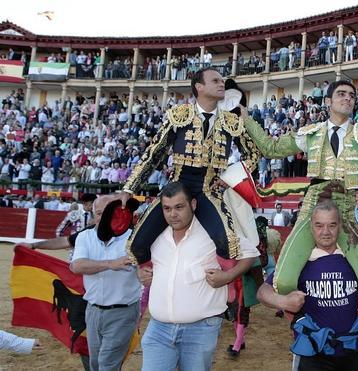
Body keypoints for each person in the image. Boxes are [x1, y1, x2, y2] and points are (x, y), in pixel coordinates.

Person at [243, 80, 358, 304]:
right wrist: (247, 118)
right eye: (341, 94)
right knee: (284, 282)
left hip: (350, 209)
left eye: (352, 96)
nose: (347, 98)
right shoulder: (311, 133)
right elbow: (271, 148)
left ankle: (348, 318)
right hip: (314, 206)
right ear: (328, 101)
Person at [117, 68, 262, 266]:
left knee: (228, 244)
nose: (222, 84)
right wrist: (130, 187)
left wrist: (230, 176)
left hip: (209, 191)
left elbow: (253, 154)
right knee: (137, 246)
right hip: (176, 188)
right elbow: (154, 153)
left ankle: (221, 287)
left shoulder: (232, 121)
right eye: (216, 80)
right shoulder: (179, 115)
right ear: (199, 87)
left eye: (222, 81)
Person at [137, 182, 258, 371]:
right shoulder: (155, 235)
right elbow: (141, 260)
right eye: (167, 208)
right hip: (158, 329)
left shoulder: (213, 231)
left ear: (193, 204)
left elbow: (250, 253)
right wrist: (140, 271)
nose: (172, 214)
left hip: (200, 330)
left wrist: (227, 277)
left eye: (179, 207)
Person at [257, 200, 358, 371]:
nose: (325, 232)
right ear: (311, 227)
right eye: (319, 225)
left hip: (351, 351)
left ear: (340, 226)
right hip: (312, 353)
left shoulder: (356, 259)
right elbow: (263, 292)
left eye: (332, 225)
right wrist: (283, 302)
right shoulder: (299, 260)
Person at [70, 195, 141, 371]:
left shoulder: (133, 238)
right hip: (93, 311)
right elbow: (76, 266)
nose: (104, 217)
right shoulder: (85, 236)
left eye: (109, 212)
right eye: (100, 213)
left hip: (123, 312)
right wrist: (110, 264)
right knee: (96, 363)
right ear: (94, 214)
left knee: (107, 364)